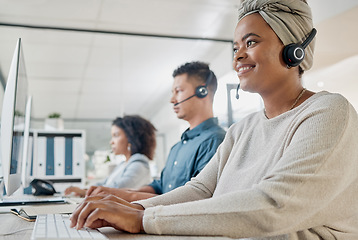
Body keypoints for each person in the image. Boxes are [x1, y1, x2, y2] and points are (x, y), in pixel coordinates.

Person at [70, 0, 358, 239]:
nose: (238, 56)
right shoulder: (241, 130)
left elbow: (274, 206)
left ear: (295, 49)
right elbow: (201, 190)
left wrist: (143, 218)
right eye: (235, 47)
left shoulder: (328, 111)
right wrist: (133, 210)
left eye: (251, 42)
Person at [84, 61, 226, 201]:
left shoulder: (214, 141)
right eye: (173, 92)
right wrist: (120, 193)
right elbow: (161, 186)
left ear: (202, 92)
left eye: (179, 91)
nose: (172, 99)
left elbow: (198, 198)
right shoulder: (177, 148)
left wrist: (130, 196)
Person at [64, 115, 156, 197]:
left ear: (131, 138)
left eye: (116, 135)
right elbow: (104, 183)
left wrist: (86, 192)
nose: (111, 142)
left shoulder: (139, 165)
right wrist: (84, 190)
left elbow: (118, 189)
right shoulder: (123, 164)